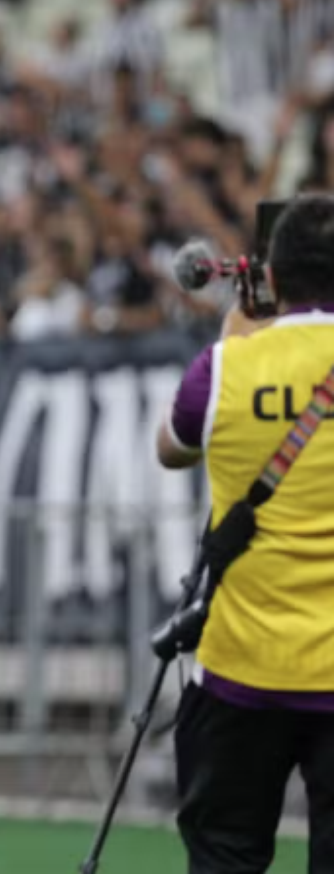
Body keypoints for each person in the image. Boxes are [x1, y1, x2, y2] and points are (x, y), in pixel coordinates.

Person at [156, 195, 334, 874]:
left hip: (240, 670)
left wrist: (236, 339)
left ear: (272, 277)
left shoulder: (225, 367)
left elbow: (171, 447)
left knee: (224, 857)